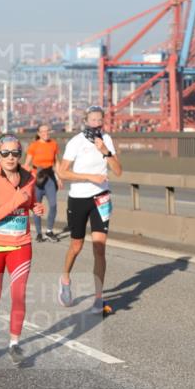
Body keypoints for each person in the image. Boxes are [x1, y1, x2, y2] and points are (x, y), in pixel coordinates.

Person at [0, 134, 44, 364]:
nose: (10, 157)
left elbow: (29, 200)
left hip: (20, 244)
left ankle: (15, 344)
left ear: (20, 155)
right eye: (5, 153)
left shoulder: (29, 177)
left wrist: (36, 207)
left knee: (19, 294)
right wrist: (15, 202)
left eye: (15, 153)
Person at [57, 106, 122, 315]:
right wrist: (89, 177)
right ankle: (65, 278)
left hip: (101, 198)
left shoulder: (107, 139)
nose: (96, 123)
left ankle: (97, 299)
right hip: (78, 199)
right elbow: (63, 173)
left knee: (99, 247)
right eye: (92, 120)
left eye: (99, 120)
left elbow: (118, 171)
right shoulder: (76, 142)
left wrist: (106, 152)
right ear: (86, 120)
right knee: (76, 246)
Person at [23, 123, 63, 242]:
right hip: (37, 178)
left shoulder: (54, 144)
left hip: (50, 177)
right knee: (37, 207)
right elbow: (27, 164)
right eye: (43, 131)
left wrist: (60, 177)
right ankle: (39, 233)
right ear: (39, 133)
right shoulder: (33, 146)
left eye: (47, 131)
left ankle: (49, 231)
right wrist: (25, 180)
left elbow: (57, 162)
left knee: (53, 204)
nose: (46, 133)